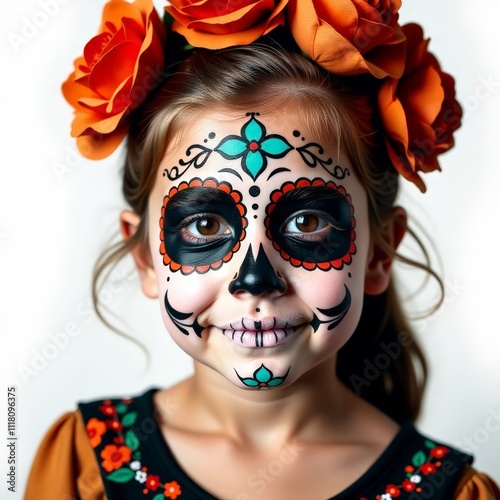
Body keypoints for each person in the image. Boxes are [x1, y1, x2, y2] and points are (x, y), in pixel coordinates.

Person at [25, 0, 500, 498]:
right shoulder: (87, 466)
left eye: (307, 221)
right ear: (144, 256)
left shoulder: (451, 492)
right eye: (204, 224)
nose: (254, 278)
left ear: (381, 250)